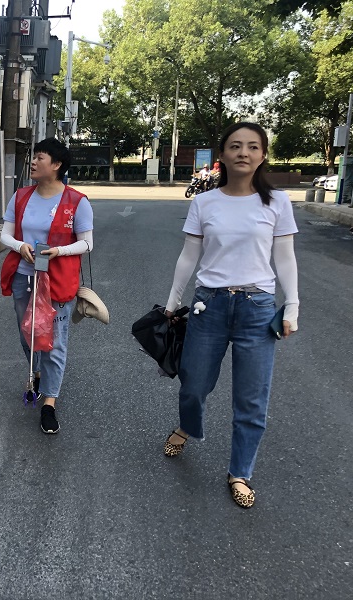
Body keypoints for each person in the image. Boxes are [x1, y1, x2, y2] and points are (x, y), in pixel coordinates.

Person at [162, 122, 299, 508]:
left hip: (257, 308)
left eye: (253, 146)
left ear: (263, 155)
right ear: (221, 154)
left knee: (252, 398)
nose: (244, 152)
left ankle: (240, 472)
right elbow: (189, 256)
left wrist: (292, 306)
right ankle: (188, 425)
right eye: (235, 146)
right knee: (193, 385)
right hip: (209, 306)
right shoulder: (205, 203)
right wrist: (171, 303)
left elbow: (285, 258)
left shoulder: (277, 202)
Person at [0, 137, 94, 434]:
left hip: (57, 281)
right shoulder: (21, 196)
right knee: (28, 334)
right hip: (24, 277)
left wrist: (59, 251)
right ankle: (37, 374)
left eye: (40, 157)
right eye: (34, 156)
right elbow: (5, 235)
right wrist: (20, 246)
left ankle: (49, 403)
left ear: (56, 165)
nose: (33, 161)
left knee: (54, 341)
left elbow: (87, 243)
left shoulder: (77, 201)